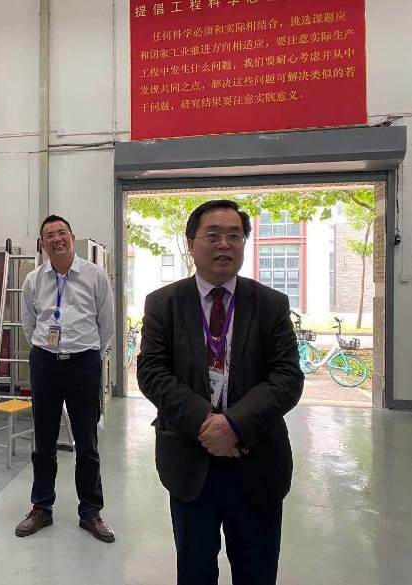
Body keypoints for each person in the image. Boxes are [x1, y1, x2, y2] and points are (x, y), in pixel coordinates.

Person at [136, 200, 304, 585]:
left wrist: (234, 425)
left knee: (256, 572)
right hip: (190, 462)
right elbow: (152, 372)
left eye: (234, 236)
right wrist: (205, 422)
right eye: (213, 235)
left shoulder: (270, 304)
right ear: (191, 244)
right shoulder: (164, 304)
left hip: (257, 461)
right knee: (195, 572)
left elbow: (287, 377)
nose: (224, 244)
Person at [15, 215, 115, 543]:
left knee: (87, 441)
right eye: (49, 235)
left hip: (84, 363)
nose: (56, 239)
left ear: (72, 237)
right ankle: (41, 507)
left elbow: (106, 323)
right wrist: (47, 350)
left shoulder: (95, 275)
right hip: (45, 363)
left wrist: (88, 351)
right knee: (43, 441)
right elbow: (29, 323)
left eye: (62, 233)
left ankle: (91, 512)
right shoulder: (33, 280)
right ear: (42, 243)